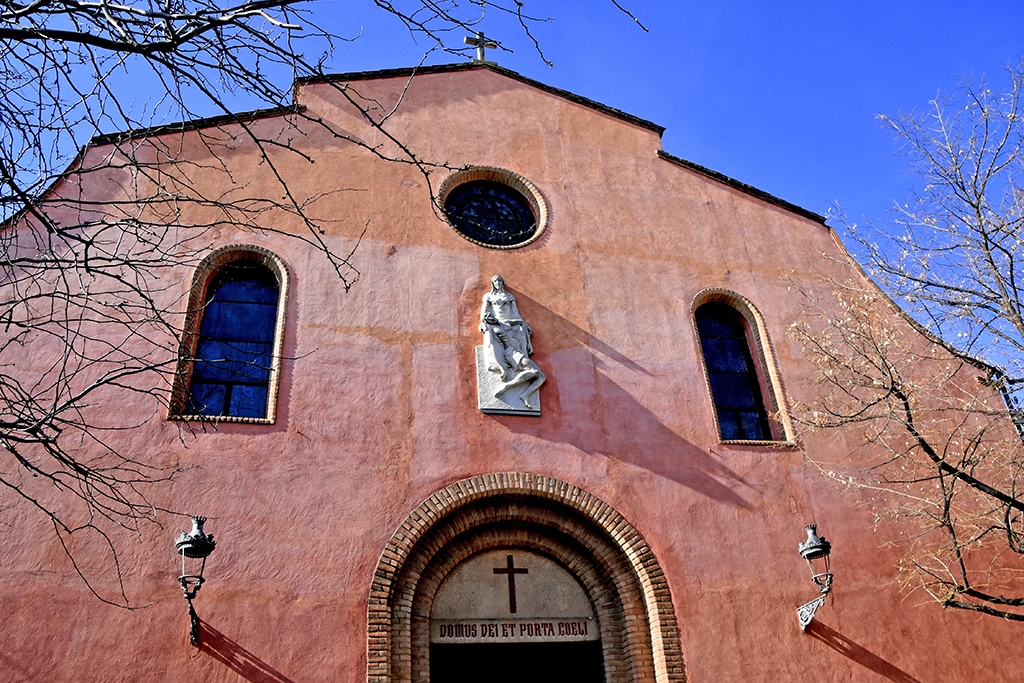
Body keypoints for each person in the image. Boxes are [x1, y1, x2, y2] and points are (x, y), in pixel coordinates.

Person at [480, 275, 546, 409]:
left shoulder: (510, 299)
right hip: (513, 354)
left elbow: (516, 314)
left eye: (500, 281)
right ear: (493, 284)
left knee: (540, 376)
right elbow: (485, 315)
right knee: (536, 373)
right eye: (496, 281)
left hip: (516, 350)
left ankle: (524, 395)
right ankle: (509, 387)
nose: (498, 283)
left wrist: (524, 327)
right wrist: (485, 323)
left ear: (502, 283)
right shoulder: (489, 298)